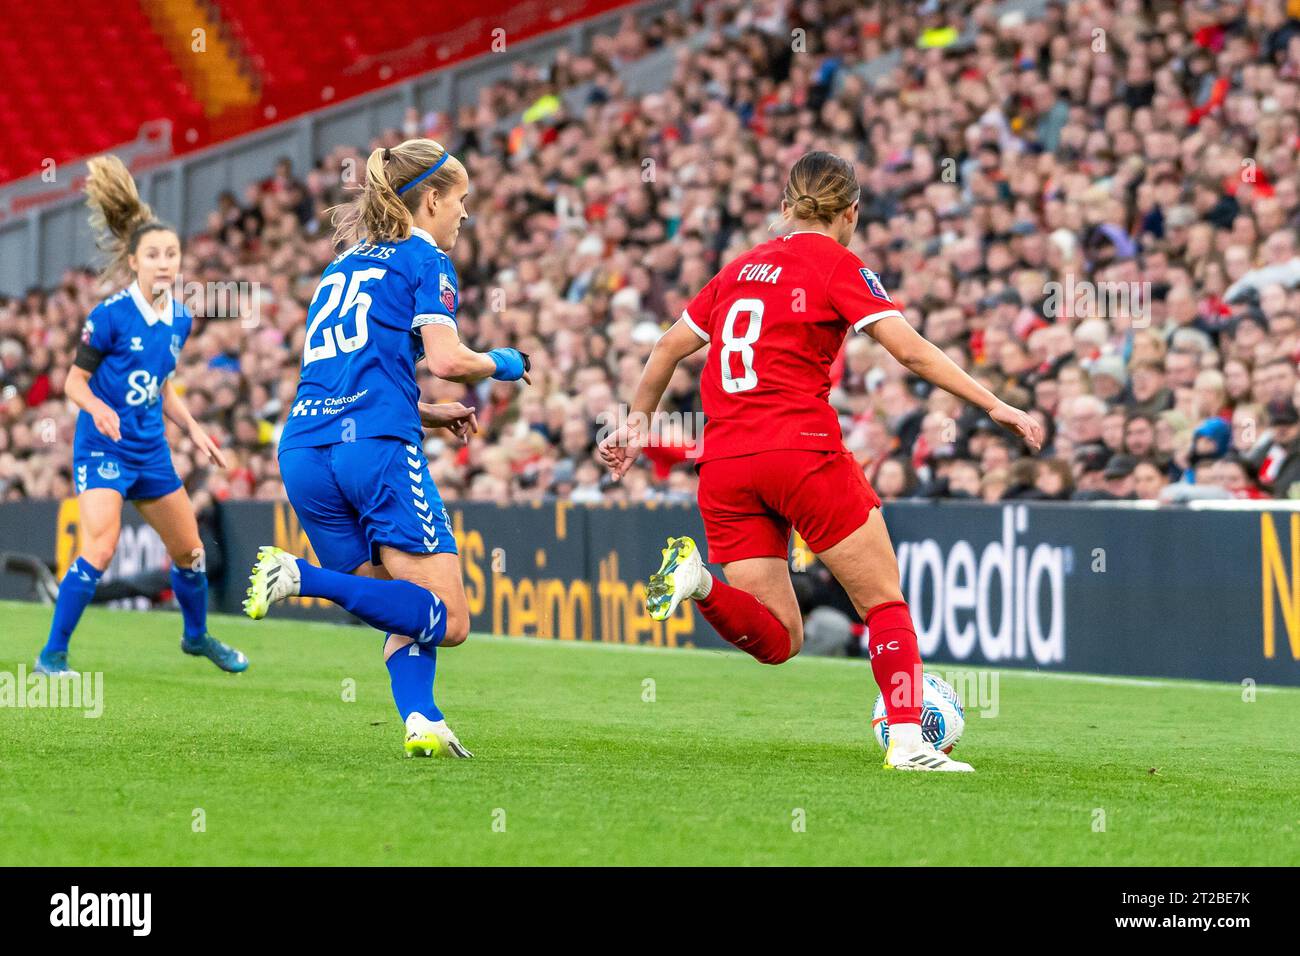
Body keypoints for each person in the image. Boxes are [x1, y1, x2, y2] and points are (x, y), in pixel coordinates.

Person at [599, 151, 1042, 772]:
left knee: (780, 638)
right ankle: (910, 741)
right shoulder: (838, 265)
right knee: (884, 602)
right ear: (851, 212)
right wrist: (996, 406)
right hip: (798, 451)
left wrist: (635, 427)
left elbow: (668, 348)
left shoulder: (739, 268)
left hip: (725, 464)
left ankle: (697, 582)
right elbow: (911, 353)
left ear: (786, 207)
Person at [240, 138, 530, 758]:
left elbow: (350, 371)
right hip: (371, 450)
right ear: (430, 198)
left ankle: (421, 719)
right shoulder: (425, 259)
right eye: (460, 201)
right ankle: (302, 576)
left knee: (403, 606)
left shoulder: (343, 265)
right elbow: (449, 360)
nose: (463, 215)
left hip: (305, 449)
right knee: (449, 620)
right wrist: (505, 362)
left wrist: (421, 412)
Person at [34, 156, 247, 676]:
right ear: (133, 262)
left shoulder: (179, 317)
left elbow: (160, 383)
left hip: (150, 449)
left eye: (171, 254)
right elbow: (72, 383)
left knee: (191, 551)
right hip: (103, 448)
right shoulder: (108, 316)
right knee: (101, 548)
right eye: (153, 254)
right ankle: (52, 655)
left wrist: (192, 427)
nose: (165, 263)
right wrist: (99, 409)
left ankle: (196, 637)